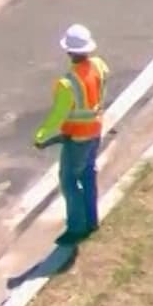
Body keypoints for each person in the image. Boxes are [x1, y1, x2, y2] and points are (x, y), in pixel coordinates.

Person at [34, 24, 110, 246]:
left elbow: (58, 115)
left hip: (77, 138)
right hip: (96, 130)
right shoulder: (99, 66)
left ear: (68, 51)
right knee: (88, 175)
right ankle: (91, 220)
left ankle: (77, 227)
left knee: (69, 181)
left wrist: (40, 136)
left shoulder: (67, 84)